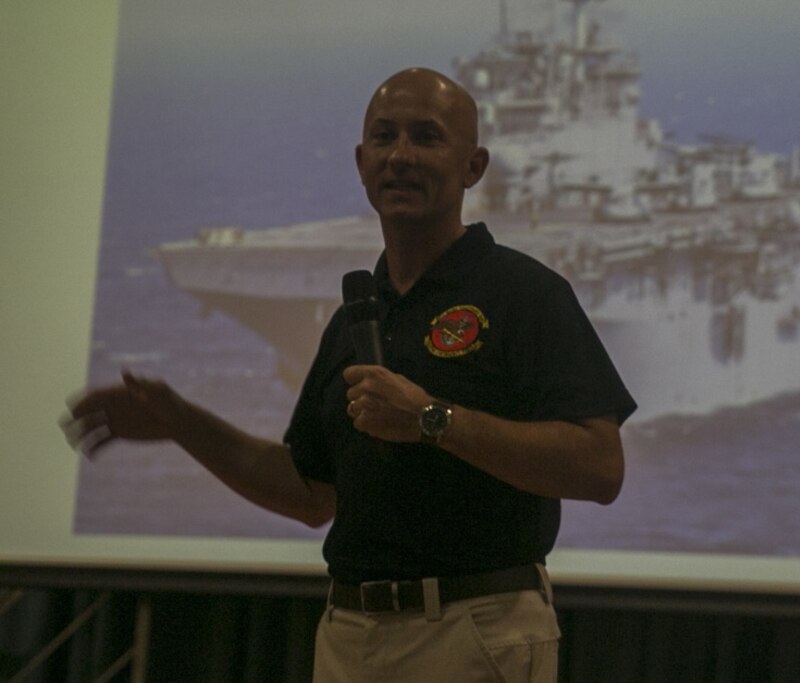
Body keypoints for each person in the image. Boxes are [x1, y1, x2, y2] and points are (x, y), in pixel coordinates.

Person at [62, 67, 636, 682]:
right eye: (384, 138)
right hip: (349, 635)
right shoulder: (354, 318)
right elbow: (310, 492)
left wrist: (430, 420)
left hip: (475, 630)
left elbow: (600, 467)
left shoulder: (526, 294)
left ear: (474, 166)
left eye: (427, 137)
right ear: (361, 162)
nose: (401, 156)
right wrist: (182, 423)